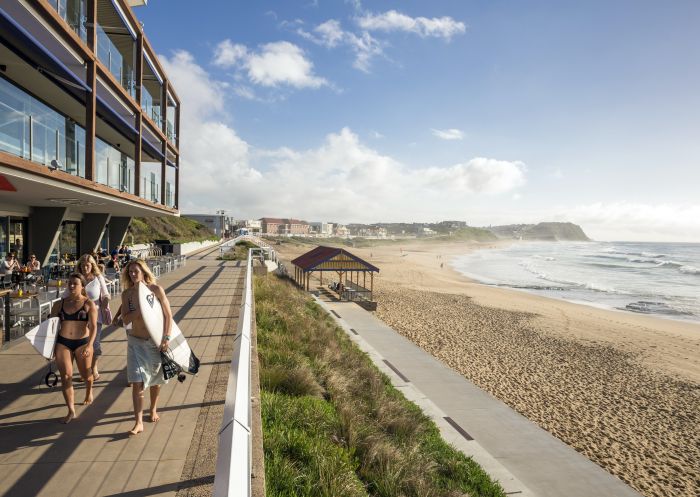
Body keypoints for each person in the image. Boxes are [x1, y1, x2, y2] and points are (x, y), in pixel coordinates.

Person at [120, 259, 173, 435]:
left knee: (156, 380)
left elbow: (168, 316)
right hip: (135, 342)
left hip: (154, 341)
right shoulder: (127, 294)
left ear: (143, 272)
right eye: (131, 272)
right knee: (137, 382)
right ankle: (138, 422)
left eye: (136, 271)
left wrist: (166, 338)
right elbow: (125, 320)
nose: (133, 274)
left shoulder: (156, 290)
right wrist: (141, 309)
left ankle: (153, 409)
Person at [49, 273, 98, 423]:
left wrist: (90, 345)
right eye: (69, 283)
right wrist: (47, 348)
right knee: (66, 377)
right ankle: (71, 410)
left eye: (75, 283)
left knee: (86, 375)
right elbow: (50, 327)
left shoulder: (89, 304)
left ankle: (89, 390)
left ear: (82, 286)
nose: (71, 286)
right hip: (63, 343)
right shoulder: (60, 304)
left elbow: (94, 327)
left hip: (82, 343)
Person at [76, 254, 110, 381]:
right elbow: (66, 294)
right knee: (81, 345)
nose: (85, 267)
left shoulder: (98, 278)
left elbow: (106, 293)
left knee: (94, 345)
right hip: (78, 317)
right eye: (83, 265)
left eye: (87, 265)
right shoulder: (77, 278)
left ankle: (93, 367)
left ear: (92, 266)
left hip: (96, 316)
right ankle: (84, 370)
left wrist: (106, 301)